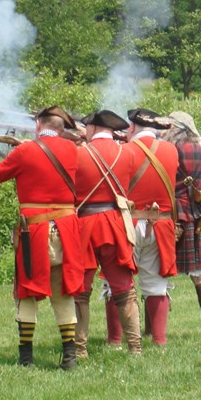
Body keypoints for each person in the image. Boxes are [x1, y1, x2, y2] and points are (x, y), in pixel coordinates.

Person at [0, 106, 84, 369]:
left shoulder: (26, 151)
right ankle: (69, 357)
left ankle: (26, 359)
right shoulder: (73, 150)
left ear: (38, 125)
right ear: (61, 128)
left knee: (26, 293)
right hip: (67, 232)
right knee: (63, 293)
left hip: (34, 232)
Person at [73, 109, 141, 356]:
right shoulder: (129, 152)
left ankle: (79, 349)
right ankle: (135, 347)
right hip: (115, 224)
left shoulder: (78, 153)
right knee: (124, 289)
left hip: (85, 226)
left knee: (80, 291)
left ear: (91, 128)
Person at [122, 108, 178, 346]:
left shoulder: (123, 151)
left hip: (129, 224)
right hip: (162, 225)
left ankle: (115, 339)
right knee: (156, 285)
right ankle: (159, 340)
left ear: (132, 127)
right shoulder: (171, 150)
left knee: (118, 283)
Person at [164, 111, 201, 337]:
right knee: (200, 274)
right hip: (194, 214)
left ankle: (153, 333)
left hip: (169, 214)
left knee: (157, 274)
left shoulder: (164, 148)